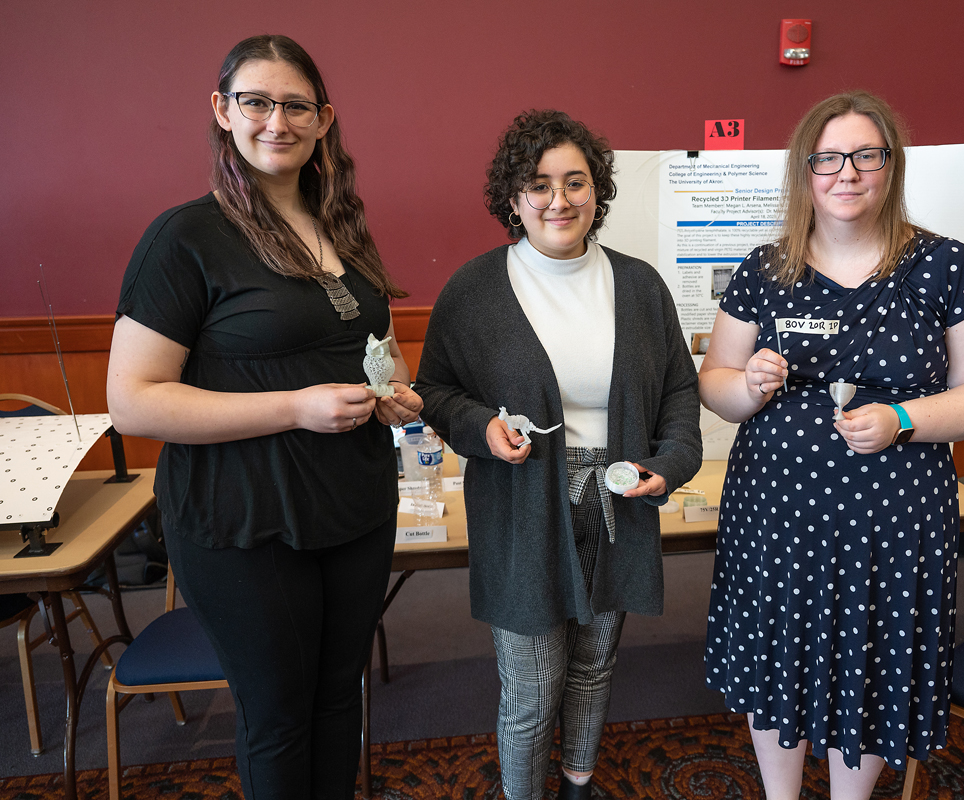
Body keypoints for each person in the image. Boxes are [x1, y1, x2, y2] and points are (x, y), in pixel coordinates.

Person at [106, 35, 422, 800]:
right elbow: (134, 400)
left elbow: (374, 346)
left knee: (338, 697)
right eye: (256, 101)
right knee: (278, 714)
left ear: (324, 120)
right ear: (222, 111)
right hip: (246, 519)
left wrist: (394, 391)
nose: (276, 121)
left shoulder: (343, 225)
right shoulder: (184, 239)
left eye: (296, 106)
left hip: (354, 507)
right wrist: (296, 407)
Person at [699, 91, 964, 800]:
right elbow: (713, 382)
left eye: (866, 155)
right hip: (776, 515)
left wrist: (903, 419)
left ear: (890, 166)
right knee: (775, 655)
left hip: (892, 520)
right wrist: (747, 386)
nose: (848, 172)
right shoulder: (765, 269)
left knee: (867, 661)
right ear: (805, 171)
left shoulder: (945, 267)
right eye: (829, 157)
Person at [415, 109, 702, 800]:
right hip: (522, 505)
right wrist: (482, 426)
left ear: (598, 192)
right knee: (532, 682)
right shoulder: (474, 290)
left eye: (576, 182)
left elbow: (678, 394)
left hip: (617, 497)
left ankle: (577, 783)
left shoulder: (638, 286)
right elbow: (435, 390)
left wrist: (671, 462)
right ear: (512, 198)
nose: (559, 200)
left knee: (596, 662)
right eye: (538, 184)